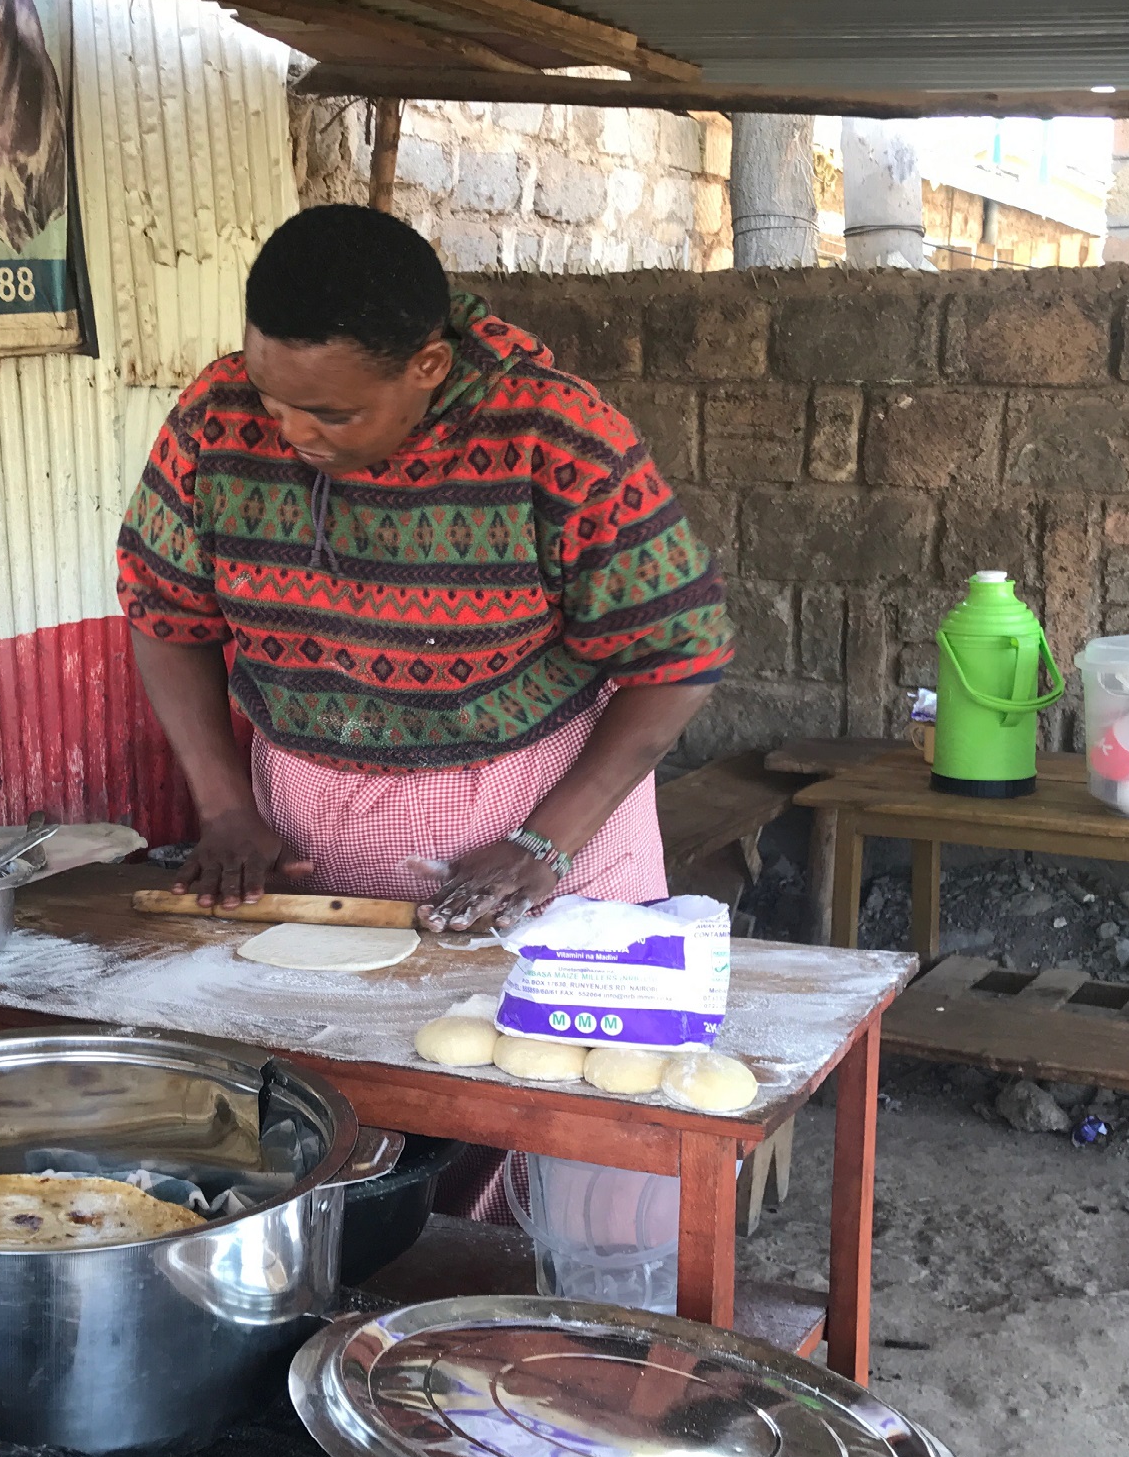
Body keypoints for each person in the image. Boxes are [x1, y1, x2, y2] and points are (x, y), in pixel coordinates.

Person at [117, 204, 732, 935]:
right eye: (271, 398)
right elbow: (163, 614)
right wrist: (224, 808)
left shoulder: (553, 437)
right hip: (313, 837)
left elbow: (681, 652)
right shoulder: (213, 422)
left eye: (331, 415)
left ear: (428, 366)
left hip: (545, 835)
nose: (291, 432)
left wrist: (545, 844)